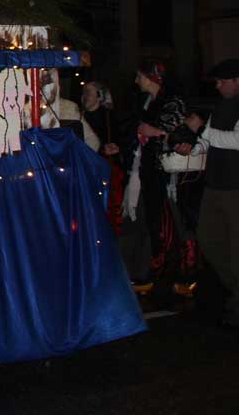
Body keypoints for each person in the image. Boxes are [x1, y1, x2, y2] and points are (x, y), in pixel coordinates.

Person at [178, 59, 239, 325]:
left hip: (236, 188)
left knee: (235, 247)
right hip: (215, 185)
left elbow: (236, 140)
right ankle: (236, 290)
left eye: (221, 81)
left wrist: (202, 130)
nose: (217, 85)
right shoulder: (221, 107)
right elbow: (209, 142)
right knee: (208, 239)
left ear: (237, 81)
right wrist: (193, 147)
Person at [120, 61, 188, 285]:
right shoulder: (147, 102)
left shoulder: (172, 102)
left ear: (151, 78)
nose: (136, 81)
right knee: (142, 221)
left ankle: (169, 271)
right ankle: (144, 271)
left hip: (164, 174)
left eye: (139, 76)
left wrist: (155, 133)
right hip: (145, 170)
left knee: (163, 224)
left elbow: (178, 136)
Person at [82, 81, 125, 235]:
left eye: (89, 92)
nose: (85, 96)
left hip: (103, 169)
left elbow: (119, 140)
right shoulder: (80, 117)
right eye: (84, 91)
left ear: (99, 96)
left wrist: (112, 148)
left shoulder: (109, 117)